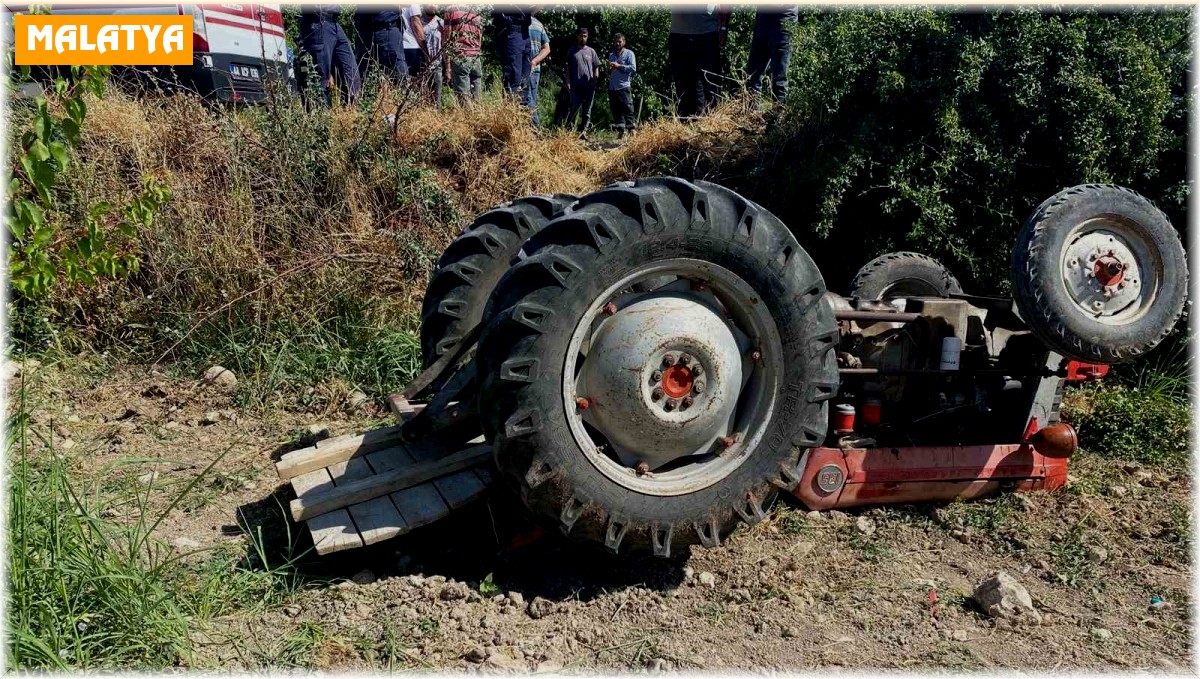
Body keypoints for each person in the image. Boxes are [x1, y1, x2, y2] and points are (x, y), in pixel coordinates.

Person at [668, 5, 728, 118]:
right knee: (683, 85)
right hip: (679, 34)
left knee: (711, 83)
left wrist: (724, 26)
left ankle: (715, 122)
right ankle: (688, 123)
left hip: (707, 33)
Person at [298, 5, 362, 105]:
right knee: (319, 79)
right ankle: (321, 117)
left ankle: (348, 115)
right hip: (318, 20)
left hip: (334, 22)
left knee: (351, 76)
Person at [745, 5, 797, 106]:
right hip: (763, 14)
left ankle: (778, 118)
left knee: (779, 78)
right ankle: (751, 117)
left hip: (784, 16)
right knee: (753, 76)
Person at [353, 7, 408, 85]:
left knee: (398, 74)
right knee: (361, 75)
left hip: (387, 29)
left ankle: (402, 96)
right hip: (364, 32)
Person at [443, 4, 483, 106]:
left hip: (461, 57)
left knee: (464, 101)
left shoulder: (450, 9)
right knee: (476, 100)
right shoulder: (475, 12)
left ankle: (467, 120)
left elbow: (447, 38)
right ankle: (479, 119)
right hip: (476, 58)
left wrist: (448, 67)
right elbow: (480, 37)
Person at [565, 26, 600, 138]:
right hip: (576, 87)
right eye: (581, 36)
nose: (583, 38)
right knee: (574, 110)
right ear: (577, 36)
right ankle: (569, 132)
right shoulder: (572, 51)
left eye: (585, 36)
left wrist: (595, 79)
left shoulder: (591, 51)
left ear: (587, 37)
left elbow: (596, 67)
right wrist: (568, 82)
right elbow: (568, 68)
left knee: (587, 112)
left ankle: (583, 132)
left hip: (589, 87)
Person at [492, 7, 533, 98]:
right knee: (514, 78)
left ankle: (523, 109)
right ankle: (511, 110)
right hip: (511, 30)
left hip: (524, 31)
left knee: (525, 81)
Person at [607, 33, 637, 138]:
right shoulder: (611, 55)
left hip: (624, 86)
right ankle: (621, 131)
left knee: (628, 108)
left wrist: (619, 66)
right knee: (616, 110)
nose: (618, 43)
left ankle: (632, 130)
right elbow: (610, 71)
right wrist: (610, 69)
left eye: (620, 41)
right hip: (613, 87)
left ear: (624, 42)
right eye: (616, 41)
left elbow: (633, 69)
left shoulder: (629, 54)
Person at [526, 8, 551, 126]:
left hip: (525, 68)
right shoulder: (539, 25)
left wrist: (532, 62)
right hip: (535, 69)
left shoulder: (521, 23)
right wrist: (535, 61)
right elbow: (547, 48)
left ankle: (536, 130)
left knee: (527, 100)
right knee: (532, 99)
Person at [421, 6, 444, 107]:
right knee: (422, 96)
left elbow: (445, 46)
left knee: (437, 97)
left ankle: (436, 117)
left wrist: (448, 68)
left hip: (437, 65)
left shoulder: (441, 23)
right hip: (421, 65)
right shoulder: (418, 21)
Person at [402, 5, 429, 80]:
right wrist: (425, 49)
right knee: (416, 81)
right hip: (412, 46)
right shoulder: (414, 4)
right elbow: (415, 23)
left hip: (399, 46)